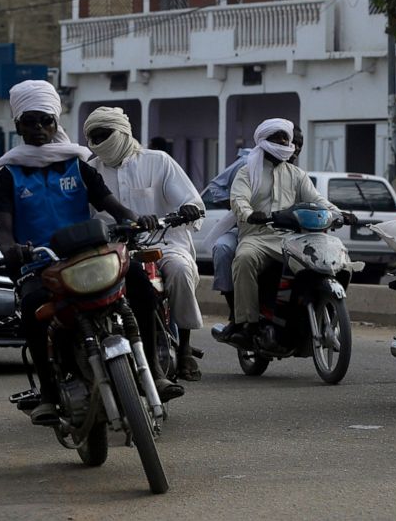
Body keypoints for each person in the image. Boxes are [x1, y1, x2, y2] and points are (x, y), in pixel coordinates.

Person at [0, 80, 180, 425]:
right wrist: (12, 250)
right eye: (31, 122)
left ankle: (155, 371)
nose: (40, 129)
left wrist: (136, 220)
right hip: (41, 265)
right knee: (32, 307)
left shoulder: (79, 162)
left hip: (90, 256)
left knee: (139, 284)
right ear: (17, 125)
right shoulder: (5, 172)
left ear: (56, 122)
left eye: (46, 121)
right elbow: (3, 231)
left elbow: (113, 206)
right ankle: (47, 393)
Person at [84, 106, 206, 381]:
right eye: (95, 137)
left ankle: (185, 348)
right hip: (114, 249)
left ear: (123, 133)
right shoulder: (90, 171)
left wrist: (187, 209)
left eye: (106, 134)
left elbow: (191, 201)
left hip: (164, 243)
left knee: (179, 271)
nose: (100, 142)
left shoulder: (158, 161)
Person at [229, 119, 353, 351]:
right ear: (264, 142)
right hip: (258, 237)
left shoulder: (297, 174)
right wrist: (250, 214)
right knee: (244, 259)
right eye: (279, 139)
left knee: (331, 261)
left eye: (286, 139)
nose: (285, 143)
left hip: (292, 239)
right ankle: (248, 324)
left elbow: (317, 200)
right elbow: (238, 200)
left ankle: (313, 315)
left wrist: (339, 213)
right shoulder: (247, 172)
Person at [202, 126, 304, 333]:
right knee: (226, 251)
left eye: (296, 143)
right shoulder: (247, 165)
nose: (295, 148)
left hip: (284, 232)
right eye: (290, 142)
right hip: (245, 227)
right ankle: (238, 315)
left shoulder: (295, 174)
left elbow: (315, 200)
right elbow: (220, 189)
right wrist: (240, 209)